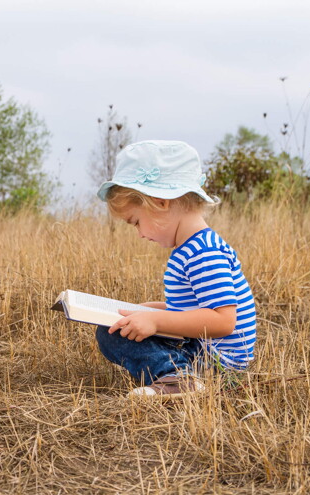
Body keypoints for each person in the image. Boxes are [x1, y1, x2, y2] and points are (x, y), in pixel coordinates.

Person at [95, 140, 256, 398]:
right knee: (112, 328)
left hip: (216, 363)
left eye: (136, 222)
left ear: (160, 203)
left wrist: (156, 320)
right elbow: (192, 310)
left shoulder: (204, 252)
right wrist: (147, 310)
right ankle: (177, 376)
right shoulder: (190, 248)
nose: (139, 234)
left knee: (112, 336)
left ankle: (180, 379)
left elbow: (223, 321)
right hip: (201, 347)